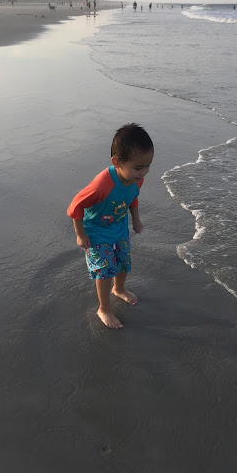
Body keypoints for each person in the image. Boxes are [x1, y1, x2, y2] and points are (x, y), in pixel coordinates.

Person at [67, 124, 154, 329]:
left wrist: (136, 220)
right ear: (117, 162)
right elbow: (75, 206)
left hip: (119, 229)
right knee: (104, 270)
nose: (144, 172)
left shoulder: (136, 179)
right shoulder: (102, 184)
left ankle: (119, 289)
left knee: (123, 262)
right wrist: (80, 234)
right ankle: (104, 309)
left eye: (148, 165)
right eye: (138, 167)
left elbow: (132, 198)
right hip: (96, 232)